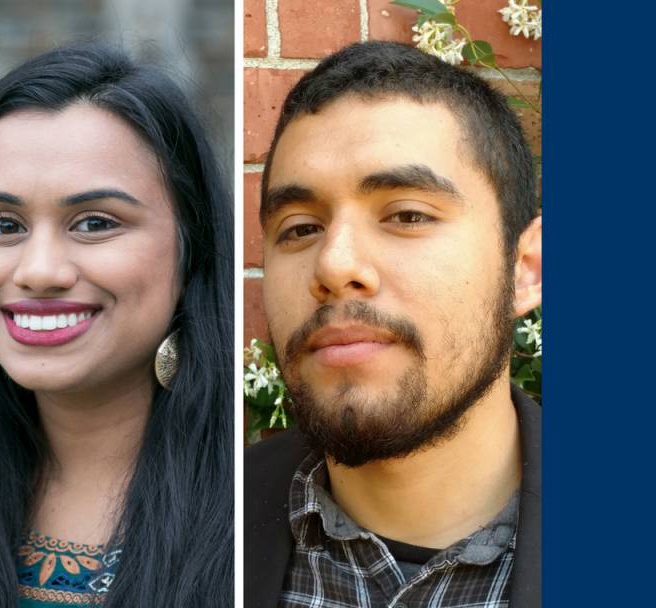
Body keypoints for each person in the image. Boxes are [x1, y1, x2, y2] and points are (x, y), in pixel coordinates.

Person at [245, 41, 542, 607]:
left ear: (525, 269)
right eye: (301, 228)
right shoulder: (203, 514)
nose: (334, 265)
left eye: (407, 215)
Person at [0, 43, 233, 607]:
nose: (40, 271)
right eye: (1, 225)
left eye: (95, 222)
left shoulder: (256, 516)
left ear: (190, 249)